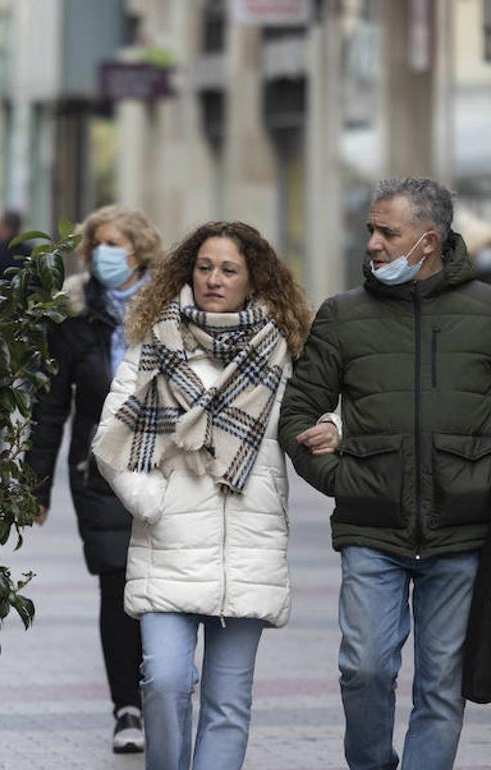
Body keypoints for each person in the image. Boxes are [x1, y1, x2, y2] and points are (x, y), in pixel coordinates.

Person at [279, 177, 491, 770]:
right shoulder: (340, 317)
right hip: (370, 531)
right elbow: (296, 415)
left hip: (461, 535)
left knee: (439, 687)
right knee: (364, 669)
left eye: (389, 232)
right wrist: (337, 477)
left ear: (428, 240)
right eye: (371, 231)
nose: (374, 244)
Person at [93, 221, 327, 770]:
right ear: (186, 272)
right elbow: (112, 441)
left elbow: (324, 411)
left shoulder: (284, 353)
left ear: (254, 279)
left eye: (228, 270)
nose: (213, 279)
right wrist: (154, 502)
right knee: (165, 681)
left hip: (248, 548)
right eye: (204, 268)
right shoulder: (156, 344)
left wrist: (333, 425)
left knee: (228, 702)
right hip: (169, 545)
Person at [25, 204, 163, 753]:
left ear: (141, 251)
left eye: (116, 244)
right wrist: (36, 484)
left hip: (166, 468)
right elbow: (50, 407)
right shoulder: (73, 316)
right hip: (99, 471)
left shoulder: (173, 309)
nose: (106, 254)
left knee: (162, 586)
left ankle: (166, 687)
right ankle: (127, 706)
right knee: (117, 584)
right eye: (98, 244)